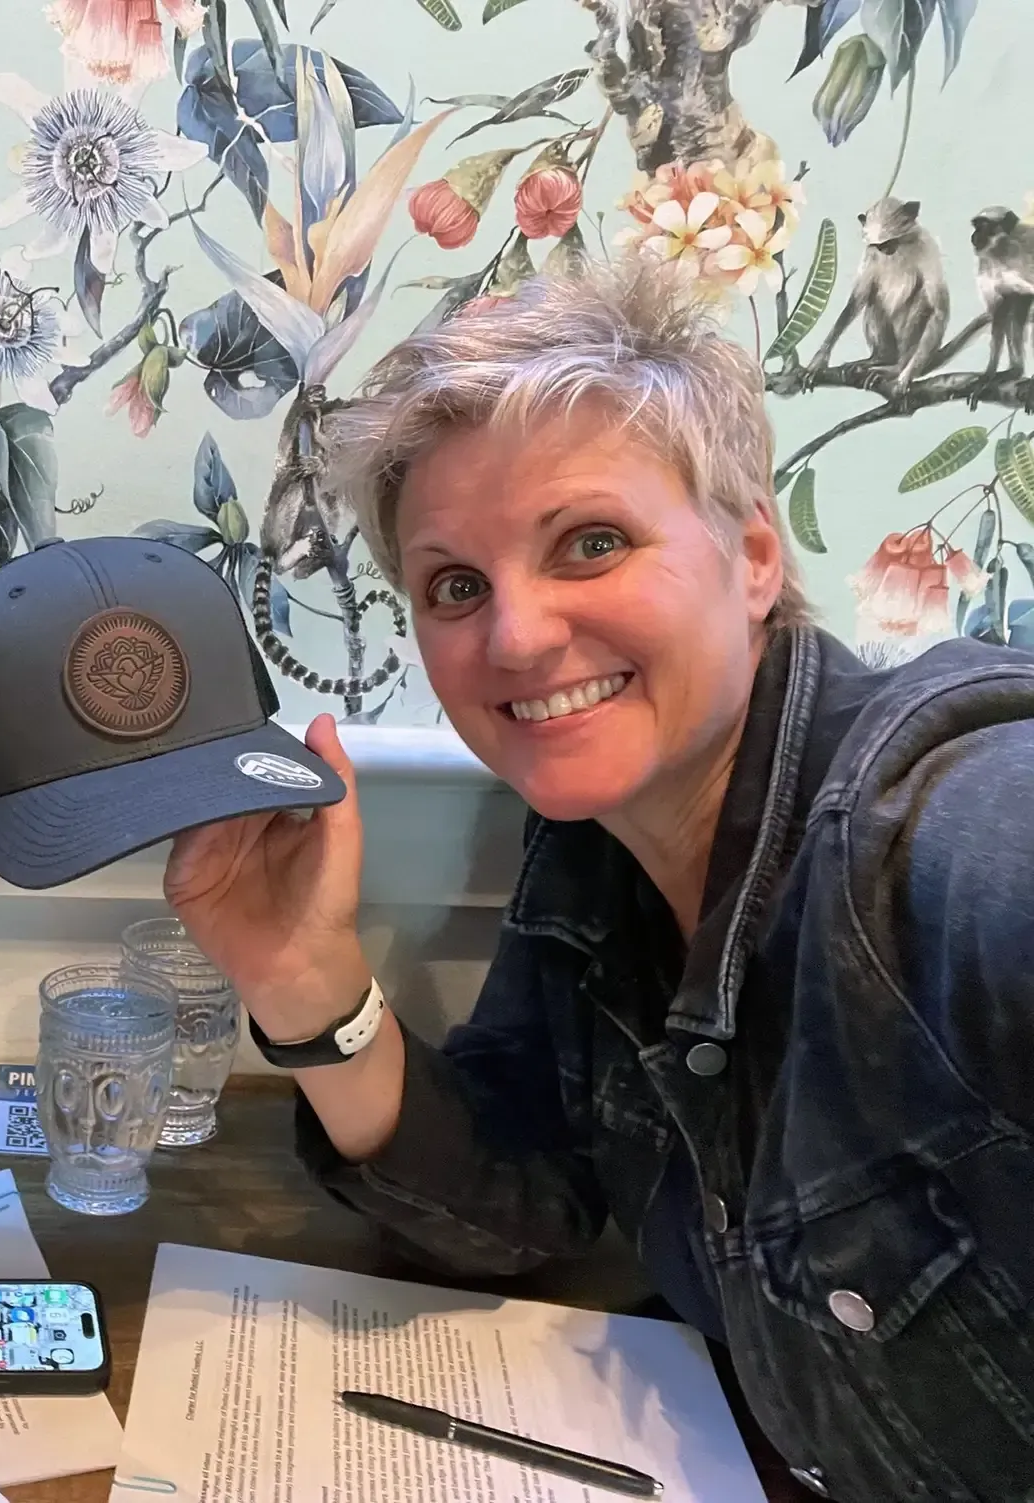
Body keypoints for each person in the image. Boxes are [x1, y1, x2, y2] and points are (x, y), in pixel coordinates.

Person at [165, 260, 1034, 1503]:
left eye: (591, 543)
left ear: (749, 556)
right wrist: (308, 983)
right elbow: (526, 1208)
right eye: (455, 585)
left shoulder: (946, 831)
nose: (513, 637)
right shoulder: (592, 849)